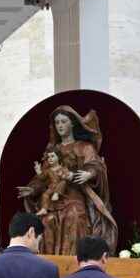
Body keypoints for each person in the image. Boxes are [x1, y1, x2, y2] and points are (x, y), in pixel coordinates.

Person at [17, 106, 118, 255]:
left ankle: (75, 262)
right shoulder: (52, 150)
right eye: (57, 122)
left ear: (72, 124)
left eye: (63, 121)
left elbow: (97, 166)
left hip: (75, 196)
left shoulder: (85, 147)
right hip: (53, 200)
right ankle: (50, 264)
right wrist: (33, 189)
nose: (60, 126)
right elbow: (45, 177)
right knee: (46, 221)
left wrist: (89, 174)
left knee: (75, 216)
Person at [35, 148, 72, 216]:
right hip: (52, 186)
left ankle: (56, 194)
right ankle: (44, 209)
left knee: (63, 182)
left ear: (59, 157)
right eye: (48, 157)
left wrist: (65, 175)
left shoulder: (62, 168)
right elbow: (42, 178)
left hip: (60, 186)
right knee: (45, 195)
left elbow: (67, 175)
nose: (50, 158)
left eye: (52, 156)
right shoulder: (48, 170)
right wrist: (38, 171)